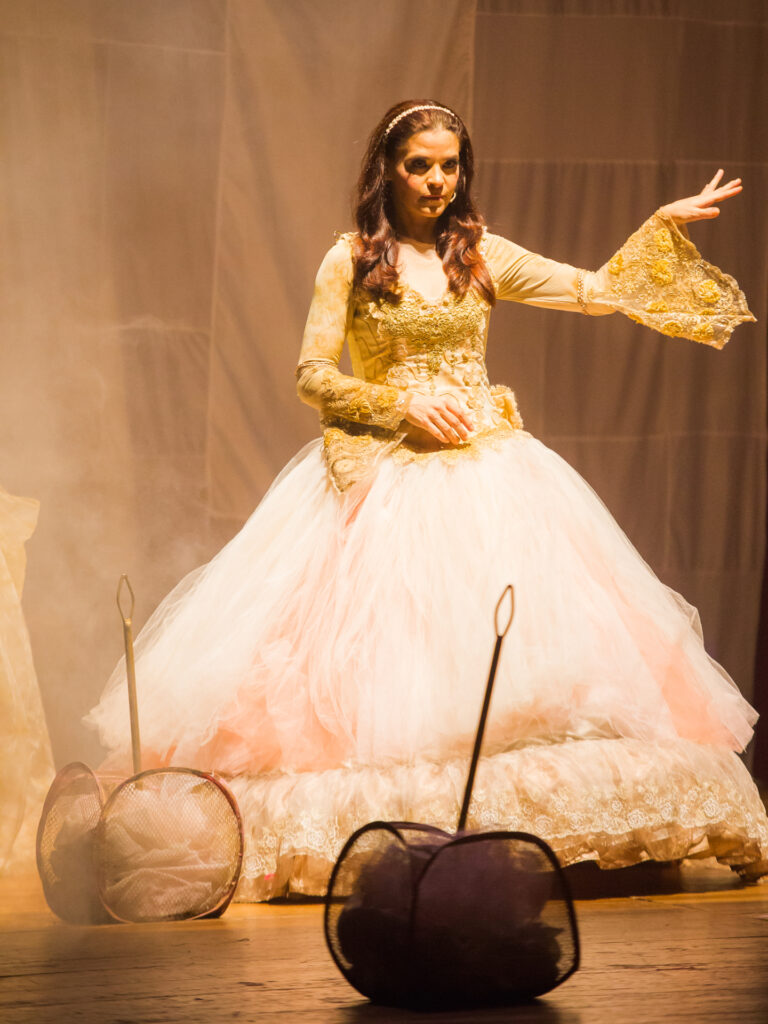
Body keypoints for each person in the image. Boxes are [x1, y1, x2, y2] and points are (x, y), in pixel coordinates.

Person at [87, 100, 768, 899]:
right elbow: (312, 375)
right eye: (420, 165)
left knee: (522, 660)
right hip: (387, 478)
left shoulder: (480, 255)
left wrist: (660, 229)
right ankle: (400, 846)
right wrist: (400, 404)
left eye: (450, 165)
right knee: (389, 676)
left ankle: (529, 837)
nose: (437, 181)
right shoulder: (350, 260)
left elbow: (590, 291)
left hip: (490, 478)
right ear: (388, 170)